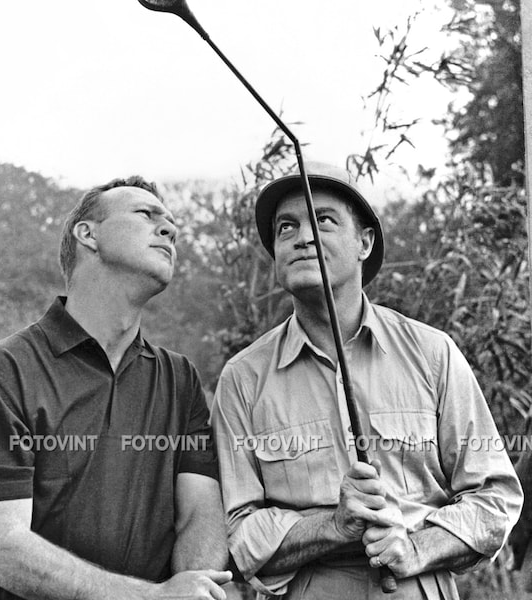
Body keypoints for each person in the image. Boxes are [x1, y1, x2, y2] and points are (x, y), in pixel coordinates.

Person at [211, 162, 523, 599]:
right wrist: (334, 526)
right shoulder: (242, 380)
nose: (302, 237)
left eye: (323, 220)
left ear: (365, 242)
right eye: (286, 227)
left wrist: (415, 548)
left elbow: (495, 500)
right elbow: (237, 535)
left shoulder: (433, 354)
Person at [0, 176, 231, 600]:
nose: (170, 229)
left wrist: (191, 589)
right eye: (146, 214)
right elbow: (0, 546)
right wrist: (150, 598)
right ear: (88, 234)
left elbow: (199, 515)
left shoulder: (179, 379)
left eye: (171, 222)